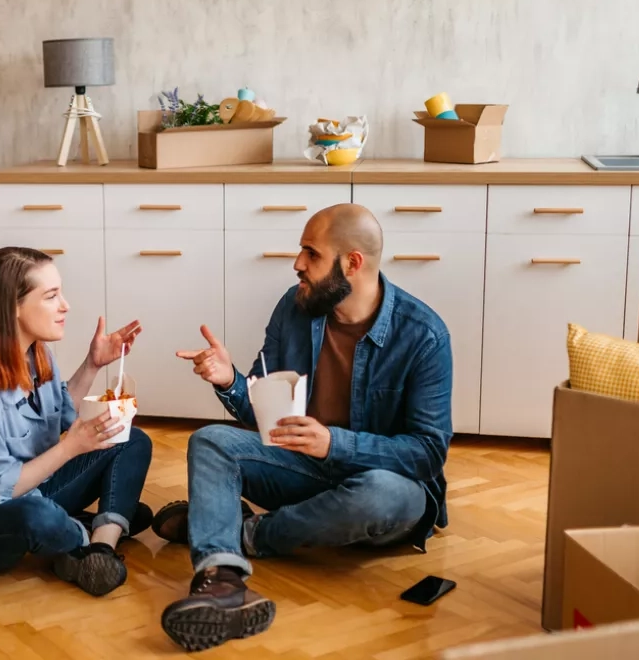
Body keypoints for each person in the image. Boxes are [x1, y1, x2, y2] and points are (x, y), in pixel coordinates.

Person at [156, 203, 454, 651]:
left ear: (353, 263)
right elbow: (265, 417)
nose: (297, 264)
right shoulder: (294, 308)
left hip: (381, 489)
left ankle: (242, 533)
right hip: (300, 470)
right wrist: (230, 380)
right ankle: (222, 581)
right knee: (210, 441)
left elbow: (427, 453)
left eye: (310, 254)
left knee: (381, 493)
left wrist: (335, 443)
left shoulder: (424, 336)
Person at [0, 246, 153, 597]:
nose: (65, 306)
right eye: (51, 296)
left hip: (32, 484)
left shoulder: (35, 353)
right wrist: (71, 447)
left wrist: (93, 364)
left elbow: (59, 412)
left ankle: (99, 548)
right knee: (36, 515)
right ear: (13, 307)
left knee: (131, 439)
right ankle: (92, 529)